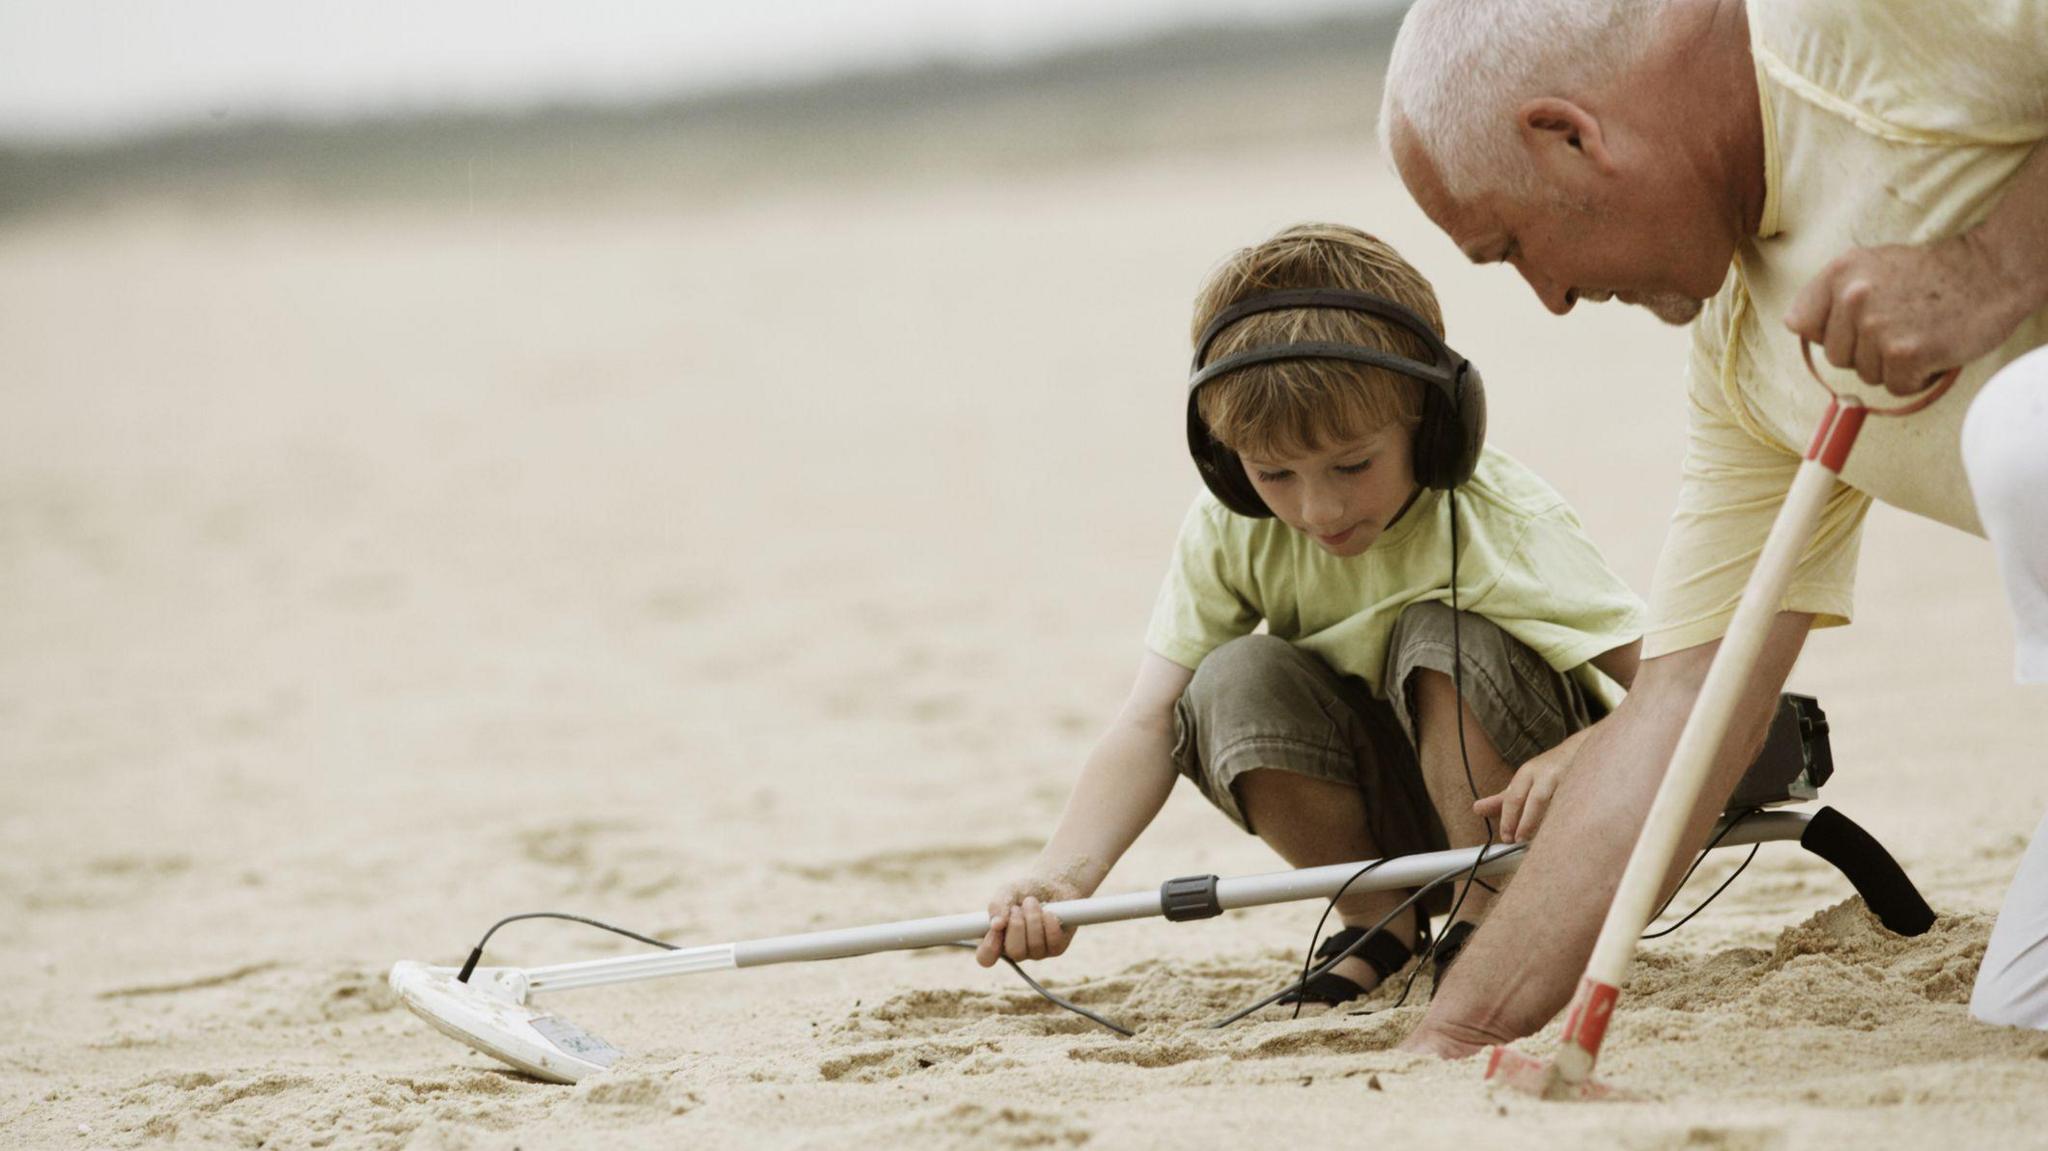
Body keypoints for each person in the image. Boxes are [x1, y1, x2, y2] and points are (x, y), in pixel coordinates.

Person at [1377, 0, 2048, 1054]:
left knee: (2023, 428)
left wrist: (1990, 266)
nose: (1547, 297)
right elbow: (1680, 717)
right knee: (2023, 1008)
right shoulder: (1745, 358)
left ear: (1568, 134)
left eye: (1510, 246)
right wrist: (1452, 1037)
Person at [974, 222, 1646, 1006]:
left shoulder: (1503, 520)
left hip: (1540, 825)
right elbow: (1149, 721)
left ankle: (1492, 909)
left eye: (1353, 464)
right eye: (1274, 474)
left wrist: (1584, 755)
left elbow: (1696, 684)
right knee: (1229, 677)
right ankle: (1377, 918)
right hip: (1392, 810)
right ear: (1226, 463)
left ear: (1435, 426)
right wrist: (1064, 875)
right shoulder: (1234, 526)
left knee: (1440, 634)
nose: (1317, 508)